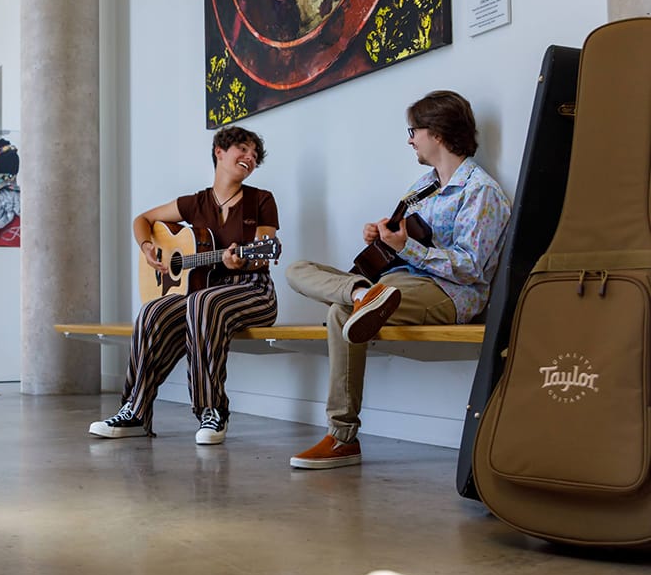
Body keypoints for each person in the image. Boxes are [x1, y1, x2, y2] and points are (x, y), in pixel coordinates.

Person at [285, 90, 511, 469]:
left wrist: (407, 249)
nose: (410, 139)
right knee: (297, 269)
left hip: (449, 293)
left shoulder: (481, 192)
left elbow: (472, 267)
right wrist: (380, 235)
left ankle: (342, 439)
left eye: (414, 131)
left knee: (340, 315)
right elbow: (401, 236)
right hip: (397, 280)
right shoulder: (423, 185)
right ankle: (360, 293)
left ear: (437, 133)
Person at [89, 125, 279, 445]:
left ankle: (211, 410)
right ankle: (134, 411)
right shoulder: (195, 203)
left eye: (255, 155)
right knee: (153, 310)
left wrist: (243, 260)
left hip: (252, 290)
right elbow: (143, 220)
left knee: (201, 304)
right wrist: (148, 247)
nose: (250, 157)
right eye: (243, 149)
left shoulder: (261, 200)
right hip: (203, 295)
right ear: (220, 151)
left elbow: (265, 252)